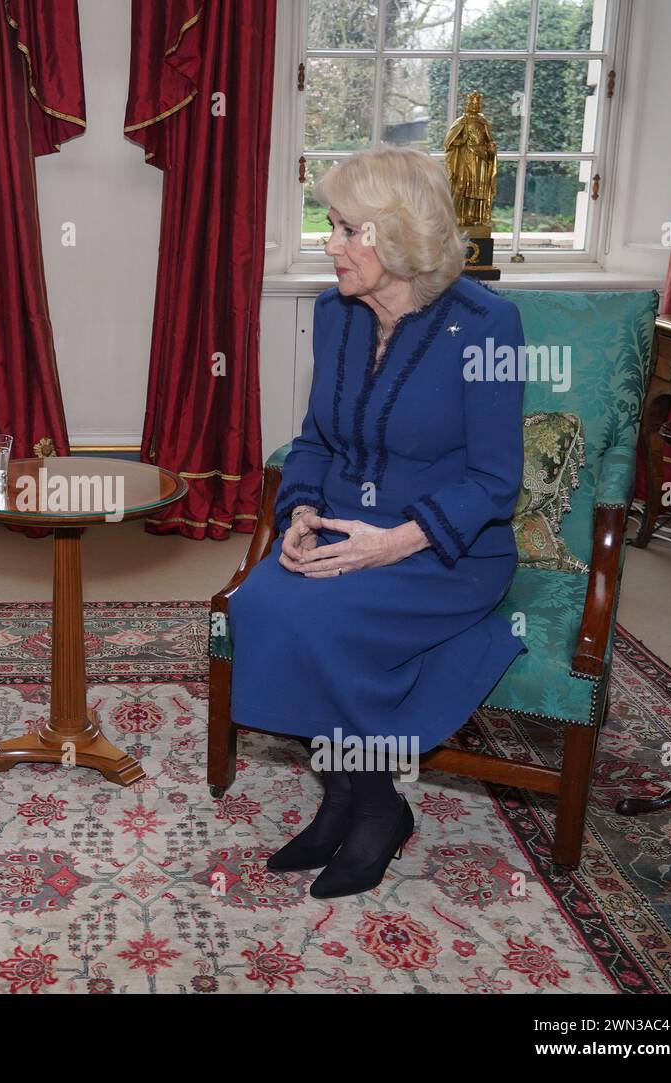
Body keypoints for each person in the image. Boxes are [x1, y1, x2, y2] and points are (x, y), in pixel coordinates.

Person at [226, 146, 526, 899]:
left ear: (399, 237)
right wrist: (297, 512)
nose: (329, 244)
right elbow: (317, 439)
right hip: (340, 527)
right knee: (259, 605)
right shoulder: (335, 315)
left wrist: (393, 542)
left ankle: (376, 808)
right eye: (331, 226)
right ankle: (350, 795)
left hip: (444, 546)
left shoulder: (488, 324)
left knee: (319, 626)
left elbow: (496, 480)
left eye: (345, 228)